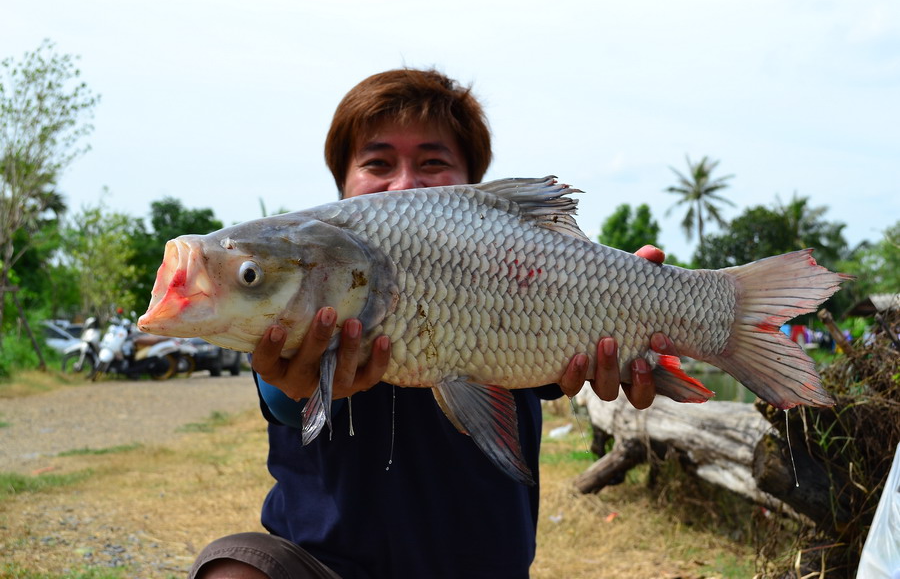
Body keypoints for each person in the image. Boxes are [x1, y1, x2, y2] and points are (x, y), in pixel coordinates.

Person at [190, 68, 678, 579]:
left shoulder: (520, 272)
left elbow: (570, 366)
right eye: (378, 163)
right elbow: (278, 394)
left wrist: (636, 306)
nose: (404, 184)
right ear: (340, 189)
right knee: (233, 570)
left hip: (482, 568)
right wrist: (288, 386)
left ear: (474, 191)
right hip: (326, 567)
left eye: (433, 162)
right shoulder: (304, 279)